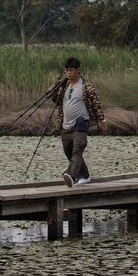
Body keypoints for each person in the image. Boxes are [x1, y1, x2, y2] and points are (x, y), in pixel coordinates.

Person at [51, 57, 107, 188]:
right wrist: (53, 91)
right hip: (65, 124)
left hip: (81, 123)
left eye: (71, 70)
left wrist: (102, 121)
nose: (68, 73)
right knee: (69, 152)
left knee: (78, 149)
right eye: (67, 70)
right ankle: (85, 175)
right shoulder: (63, 85)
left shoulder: (86, 86)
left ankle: (71, 175)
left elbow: (96, 105)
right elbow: (56, 101)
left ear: (78, 70)